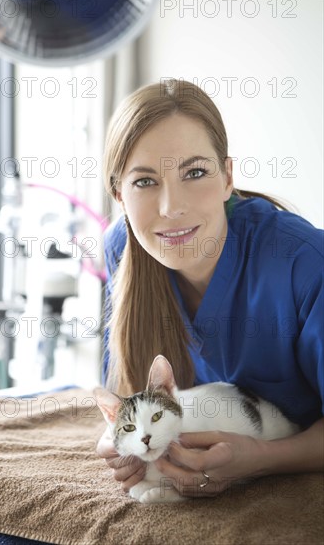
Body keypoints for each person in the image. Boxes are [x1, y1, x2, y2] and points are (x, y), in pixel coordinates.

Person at [96, 79, 324, 497]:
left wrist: (262, 458)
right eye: (145, 182)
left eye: (195, 172)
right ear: (118, 195)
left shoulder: (305, 263)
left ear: (226, 178)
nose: (171, 208)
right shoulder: (120, 249)